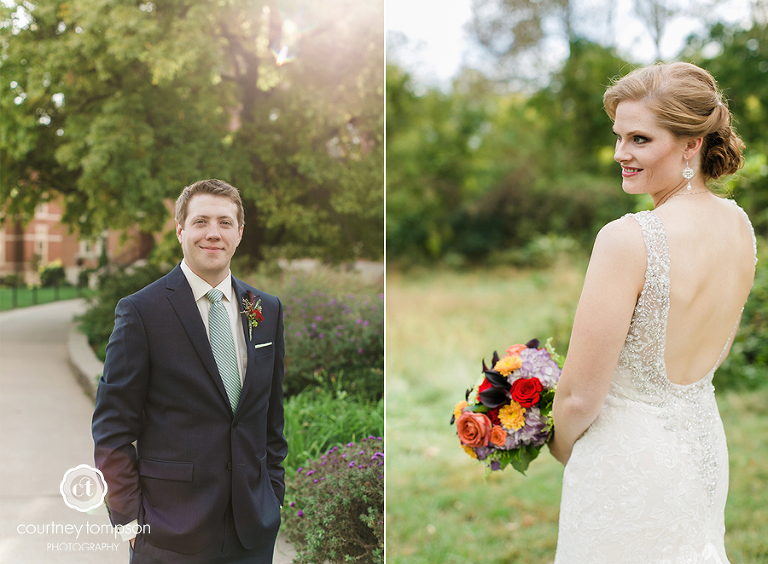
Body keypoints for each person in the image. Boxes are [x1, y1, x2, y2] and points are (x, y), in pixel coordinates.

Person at [548, 62, 757, 562]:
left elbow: (577, 397)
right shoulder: (740, 227)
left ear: (691, 144)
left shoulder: (627, 239)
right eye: (619, 137)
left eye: (639, 139)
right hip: (702, 448)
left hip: (625, 462)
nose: (621, 153)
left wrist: (553, 443)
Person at [92, 179, 287, 563]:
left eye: (225, 223)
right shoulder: (140, 312)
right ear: (181, 231)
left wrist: (273, 496)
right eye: (201, 222)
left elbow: (271, 417)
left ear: (239, 233)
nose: (213, 233)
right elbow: (112, 428)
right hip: (168, 535)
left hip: (252, 532)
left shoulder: (266, 309)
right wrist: (130, 523)